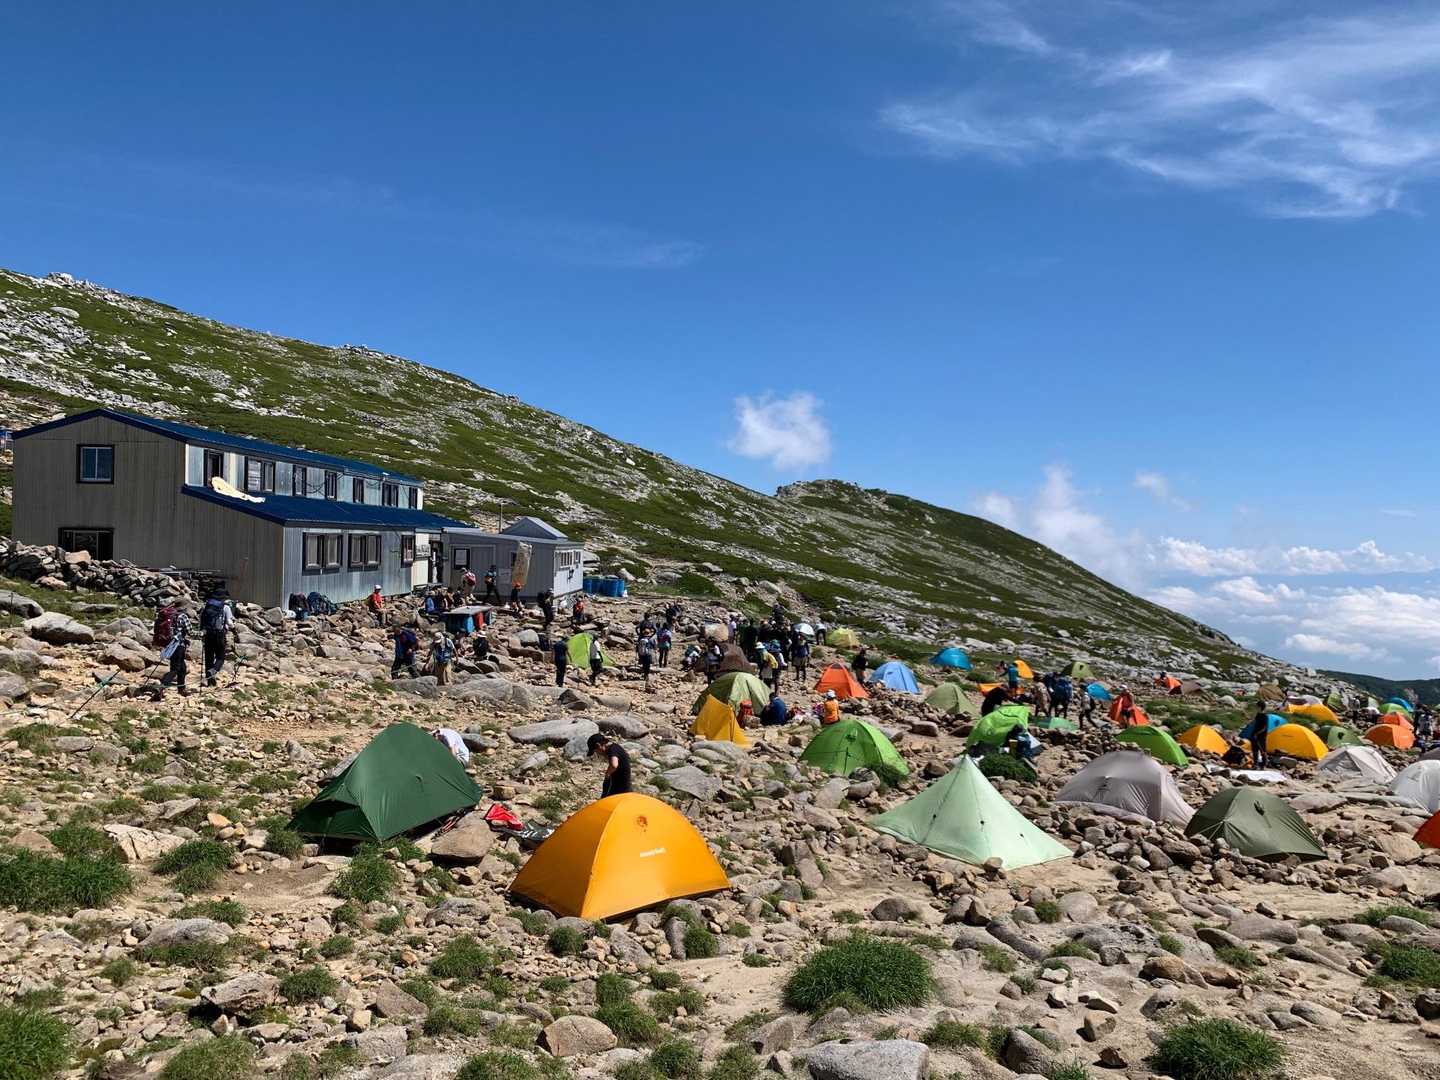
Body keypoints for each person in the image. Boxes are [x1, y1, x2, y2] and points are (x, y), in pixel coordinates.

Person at [157, 601, 193, 697]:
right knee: (175, 669)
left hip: (170, 645)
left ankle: (181, 689)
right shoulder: (183, 616)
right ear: (184, 607)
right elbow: (190, 632)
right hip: (178, 645)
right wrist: (202, 633)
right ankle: (162, 686)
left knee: (182, 668)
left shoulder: (171, 615)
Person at [200, 590, 234, 686]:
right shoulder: (225, 607)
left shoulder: (207, 606)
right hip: (219, 635)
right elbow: (229, 623)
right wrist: (233, 627)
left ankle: (210, 681)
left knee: (209, 658)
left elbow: (202, 619)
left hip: (208, 635)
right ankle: (213, 671)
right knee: (220, 657)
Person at [588, 733, 632, 798]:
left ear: (598, 745)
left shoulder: (613, 749)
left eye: (596, 751)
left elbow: (614, 765)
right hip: (621, 785)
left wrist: (607, 774)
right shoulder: (614, 748)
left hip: (621, 787)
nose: (597, 753)